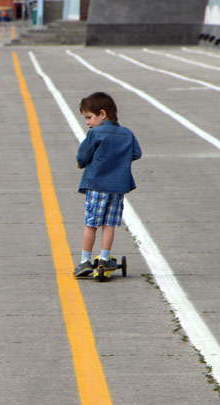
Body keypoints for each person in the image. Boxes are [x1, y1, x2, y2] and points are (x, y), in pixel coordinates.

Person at [73, 92, 141, 278]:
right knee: (109, 224)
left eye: (89, 117)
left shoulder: (95, 133)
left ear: (102, 114)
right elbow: (136, 153)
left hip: (97, 185)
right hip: (117, 188)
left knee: (91, 224)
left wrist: (84, 163)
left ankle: (84, 261)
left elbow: (82, 156)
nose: (87, 122)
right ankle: (104, 258)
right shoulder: (127, 133)